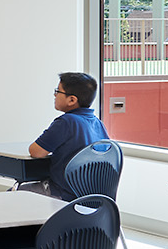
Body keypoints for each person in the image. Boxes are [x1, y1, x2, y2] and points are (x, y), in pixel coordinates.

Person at [29, 71, 109, 199]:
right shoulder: (97, 123)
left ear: (72, 100)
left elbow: (35, 151)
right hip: (91, 196)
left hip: (63, 193)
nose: (54, 95)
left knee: (14, 193)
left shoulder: (66, 122)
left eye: (58, 91)